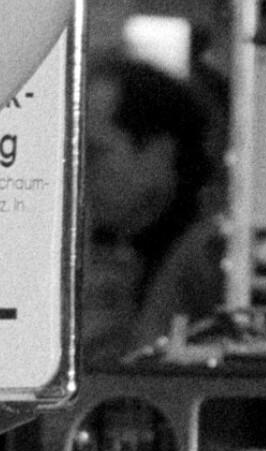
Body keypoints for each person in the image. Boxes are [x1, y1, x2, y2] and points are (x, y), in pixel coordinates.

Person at [83, 54, 222, 355]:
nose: (80, 174)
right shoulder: (113, 244)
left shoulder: (203, 257)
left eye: (95, 153)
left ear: (159, 153)